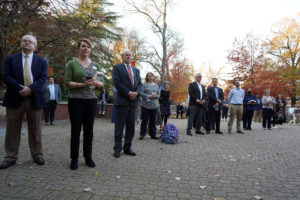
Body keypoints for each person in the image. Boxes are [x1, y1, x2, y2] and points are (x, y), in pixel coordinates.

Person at [0, 34, 48, 170]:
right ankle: (10, 157)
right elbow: (6, 76)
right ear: (21, 44)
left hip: (34, 99)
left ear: (35, 46)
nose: (27, 43)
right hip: (15, 97)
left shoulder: (42, 62)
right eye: (24, 41)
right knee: (12, 129)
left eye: (30, 42)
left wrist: (30, 89)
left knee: (35, 129)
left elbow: (43, 78)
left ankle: (37, 154)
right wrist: (20, 89)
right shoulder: (10, 59)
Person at [65, 38, 103, 170]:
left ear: (90, 49)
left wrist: (94, 83)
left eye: (88, 47)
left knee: (89, 131)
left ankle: (88, 157)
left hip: (91, 101)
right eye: (83, 46)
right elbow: (67, 82)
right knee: (75, 130)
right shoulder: (72, 64)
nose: (85, 48)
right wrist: (83, 84)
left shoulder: (96, 66)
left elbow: (102, 83)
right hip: (75, 100)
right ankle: (74, 158)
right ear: (78, 48)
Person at [112, 50, 142, 158]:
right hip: (122, 101)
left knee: (131, 127)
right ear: (122, 57)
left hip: (133, 102)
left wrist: (137, 92)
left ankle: (127, 148)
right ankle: (117, 149)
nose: (128, 56)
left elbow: (140, 84)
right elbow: (117, 83)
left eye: (130, 55)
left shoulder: (136, 70)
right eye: (126, 55)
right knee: (119, 127)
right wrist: (128, 92)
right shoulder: (117, 68)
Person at [139, 72, 160, 140]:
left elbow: (159, 94)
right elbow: (141, 93)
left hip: (154, 106)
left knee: (153, 121)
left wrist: (156, 96)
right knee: (144, 120)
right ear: (147, 77)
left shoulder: (156, 85)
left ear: (153, 77)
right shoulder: (144, 85)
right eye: (149, 76)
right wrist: (149, 96)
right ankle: (142, 134)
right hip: (145, 106)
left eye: (151, 76)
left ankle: (153, 135)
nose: (150, 77)